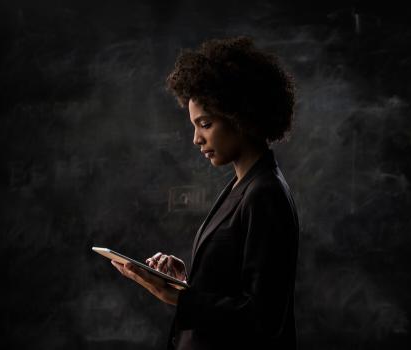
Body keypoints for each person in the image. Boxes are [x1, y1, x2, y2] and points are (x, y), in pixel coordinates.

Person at [111, 36, 299, 349]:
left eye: (205, 124)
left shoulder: (265, 194)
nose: (197, 139)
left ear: (241, 116)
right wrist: (188, 281)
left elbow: (263, 318)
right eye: (194, 125)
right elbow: (235, 289)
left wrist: (179, 298)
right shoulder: (244, 185)